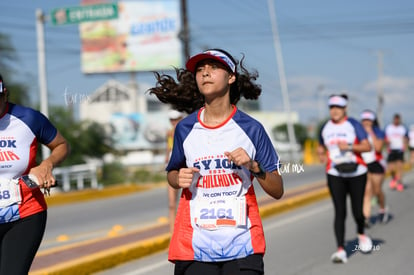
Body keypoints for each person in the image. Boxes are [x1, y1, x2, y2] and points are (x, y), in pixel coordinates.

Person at [148, 49, 284, 275]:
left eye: (214, 68)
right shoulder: (185, 128)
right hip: (195, 245)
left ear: (231, 77)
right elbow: (173, 174)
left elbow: (277, 189)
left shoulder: (251, 129)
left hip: (243, 244)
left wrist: (253, 167)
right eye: (200, 70)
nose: (205, 73)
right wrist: (177, 178)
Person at [0, 74, 69, 274]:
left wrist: (47, 164)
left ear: (5, 95)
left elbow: (61, 145)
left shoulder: (28, 119)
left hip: (25, 213)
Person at [317, 94, 373, 264]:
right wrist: (321, 153)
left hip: (357, 172)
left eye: (338, 107)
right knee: (339, 211)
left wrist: (349, 146)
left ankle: (361, 233)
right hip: (335, 173)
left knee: (357, 210)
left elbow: (367, 146)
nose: (334, 111)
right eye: (332, 107)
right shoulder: (325, 127)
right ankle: (340, 249)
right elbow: (321, 145)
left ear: (345, 109)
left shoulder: (354, 124)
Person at [359, 110, 388, 227]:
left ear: (372, 121)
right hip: (364, 164)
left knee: (377, 191)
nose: (366, 122)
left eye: (368, 120)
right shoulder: (359, 132)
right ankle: (366, 217)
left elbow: (378, 148)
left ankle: (382, 208)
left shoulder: (378, 132)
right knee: (366, 192)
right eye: (364, 120)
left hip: (376, 163)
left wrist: (370, 132)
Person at [165, 109, 185, 235]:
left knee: (186, 203)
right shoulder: (169, 133)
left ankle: (183, 233)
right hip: (172, 169)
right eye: (171, 120)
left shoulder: (185, 131)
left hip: (184, 168)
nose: (173, 122)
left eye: (176, 119)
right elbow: (168, 148)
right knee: (172, 204)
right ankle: (173, 236)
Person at [384, 113, 408, 191]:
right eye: (395, 119)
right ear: (394, 119)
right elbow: (386, 138)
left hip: (400, 149)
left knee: (399, 167)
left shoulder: (402, 128)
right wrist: (387, 145)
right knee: (391, 168)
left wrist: (405, 145)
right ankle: (394, 179)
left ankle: (399, 182)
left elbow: (406, 138)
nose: (397, 121)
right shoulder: (389, 128)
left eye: (398, 119)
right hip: (391, 149)